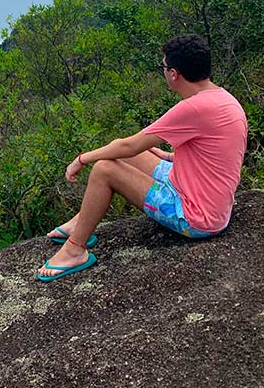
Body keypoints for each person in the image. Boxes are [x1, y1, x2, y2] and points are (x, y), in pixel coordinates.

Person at [36, 34, 248, 282]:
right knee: (129, 154)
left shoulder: (193, 108)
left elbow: (130, 145)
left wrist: (82, 159)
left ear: (174, 74)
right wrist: (170, 156)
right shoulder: (224, 99)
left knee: (105, 168)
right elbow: (219, 155)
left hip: (197, 217)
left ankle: (74, 250)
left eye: (164, 66)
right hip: (202, 195)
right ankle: (81, 221)